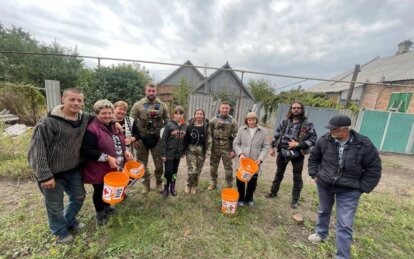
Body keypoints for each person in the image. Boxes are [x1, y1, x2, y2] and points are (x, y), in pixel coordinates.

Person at [307, 115, 381, 259]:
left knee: (345, 224)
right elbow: (314, 157)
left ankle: (342, 256)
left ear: (346, 129)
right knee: (323, 210)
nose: (331, 132)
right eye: (330, 129)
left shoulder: (363, 144)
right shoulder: (325, 140)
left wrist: (362, 188)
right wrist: (314, 174)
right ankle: (321, 233)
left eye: (334, 130)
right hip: (325, 184)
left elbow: (374, 168)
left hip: (350, 189)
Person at [27, 88, 90, 244]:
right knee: (55, 205)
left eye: (79, 100)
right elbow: (37, 150)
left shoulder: (84, 118)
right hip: (52, 173)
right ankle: (60, 231)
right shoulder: (48, 123)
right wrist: (45, 176)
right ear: (63, 99)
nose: (76, 103)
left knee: (79, 196)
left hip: (72, 169)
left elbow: (102, 117)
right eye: (72, 99)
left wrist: (115, 122)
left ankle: (68, 221)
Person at [80, 100, 133, 225]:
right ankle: (99, 214)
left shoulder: (113, 125)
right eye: (104, 113)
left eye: (109, 113)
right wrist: (108, 158)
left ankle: (107, 208)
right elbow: (86, 151)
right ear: (97, 114)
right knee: (99, 190)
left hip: (113, 166)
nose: (107, 116)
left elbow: (119, 141)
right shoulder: (92, 129)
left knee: (108, 187)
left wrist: (125, 151)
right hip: (98, 167)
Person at [265, 101, 317, 209]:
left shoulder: (308, 123)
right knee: (279, 173)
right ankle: (273, 192)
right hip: (283, 151)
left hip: (298, 153)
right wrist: (272, 147)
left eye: (298, 108)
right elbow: (277, 134)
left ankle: (295, 199)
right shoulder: (285, 121)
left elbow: (313, 140)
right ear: (291, 109)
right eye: (294, 108)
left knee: (297, 177)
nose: (296, 110)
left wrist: (298, 144)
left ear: (302, 109)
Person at [130, 84, 170, 194]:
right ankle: (145, 184)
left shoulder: (162, 106)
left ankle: (159, 183)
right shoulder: (138, 105)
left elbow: (167, 122)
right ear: (145, 91)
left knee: (159, 164)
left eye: (153, 91)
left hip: (157, 139)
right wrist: (134, 138)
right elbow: (131, 122)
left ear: (156, 91)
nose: (151, 93)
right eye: (149, 90)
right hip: (142, 139)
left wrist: (165, 139)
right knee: (142, 164)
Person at [233, 112, 269, 207]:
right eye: (249, 120)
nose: (251, 122)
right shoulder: (242, 129)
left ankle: (249, 197)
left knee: (252, 181)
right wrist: (240, 154)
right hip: (242, 161)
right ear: (246, 120)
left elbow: (265, 147)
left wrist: (260, 158)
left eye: (253, 120)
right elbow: (236, 143)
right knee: (240, 180)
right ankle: (241, 197)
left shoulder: (262, 131)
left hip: (255, 162)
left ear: (256, 120)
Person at [207, 101, 238, 190]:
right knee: (213, 167)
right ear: (220, 109)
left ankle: (229, 185)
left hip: (227, 148)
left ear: (229, 109)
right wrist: (209, 148)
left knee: (228, 169)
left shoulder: (233, 121)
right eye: (223, 108)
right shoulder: (213, 120)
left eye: (226, 108)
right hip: (215, 147)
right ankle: (213, 183)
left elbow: (236, 137)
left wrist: (233, 150)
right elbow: (209, 134)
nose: (224, 110)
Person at [159, 106, 187, 197]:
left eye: (180, 114)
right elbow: (163, 139)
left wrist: (183, 152)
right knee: (168, 172)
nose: (178, 116)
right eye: (177, 114)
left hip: (178, 154)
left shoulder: (185, 126)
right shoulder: (169, 125)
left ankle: (173, 187)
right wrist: (163, 153)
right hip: (169, 153)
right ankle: (166, 188)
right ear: (174, 114)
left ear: (183, 114)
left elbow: (185, 140)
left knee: (175, 172)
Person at [183, 108, 209, 194]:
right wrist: (183, 149)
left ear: (203, 116)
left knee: (198, 170)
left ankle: (194, 186)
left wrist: (207, 151)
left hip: (201, 150)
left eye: (201, 114)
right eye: (197, 114)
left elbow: (209, 139)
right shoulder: (190, 124)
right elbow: (185, 137)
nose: (199, 115)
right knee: (192, 170)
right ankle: (188, 185)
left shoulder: (206, 125)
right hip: (191, 149)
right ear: (195, 115)